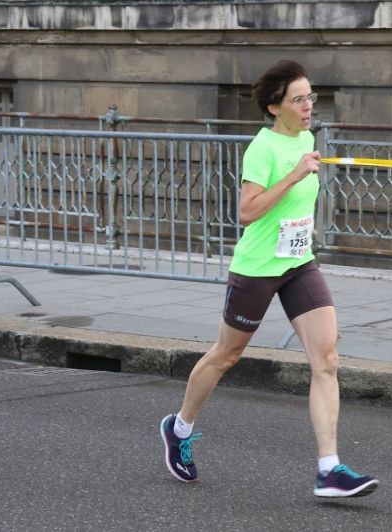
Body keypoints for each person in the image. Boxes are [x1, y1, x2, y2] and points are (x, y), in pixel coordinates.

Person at [160, 60, 378, 498]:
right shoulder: (262, 149)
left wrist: (303, 225)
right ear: (275, 107)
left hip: (298, 263)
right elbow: (247, 211)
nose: (308, 106)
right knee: (226, 355)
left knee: (328, 359)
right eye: (299, 99)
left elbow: (292, 203)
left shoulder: (307, 137)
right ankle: (180, 428)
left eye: (311, 97)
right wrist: (294, 174)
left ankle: (329, 470)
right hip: (258, 268)